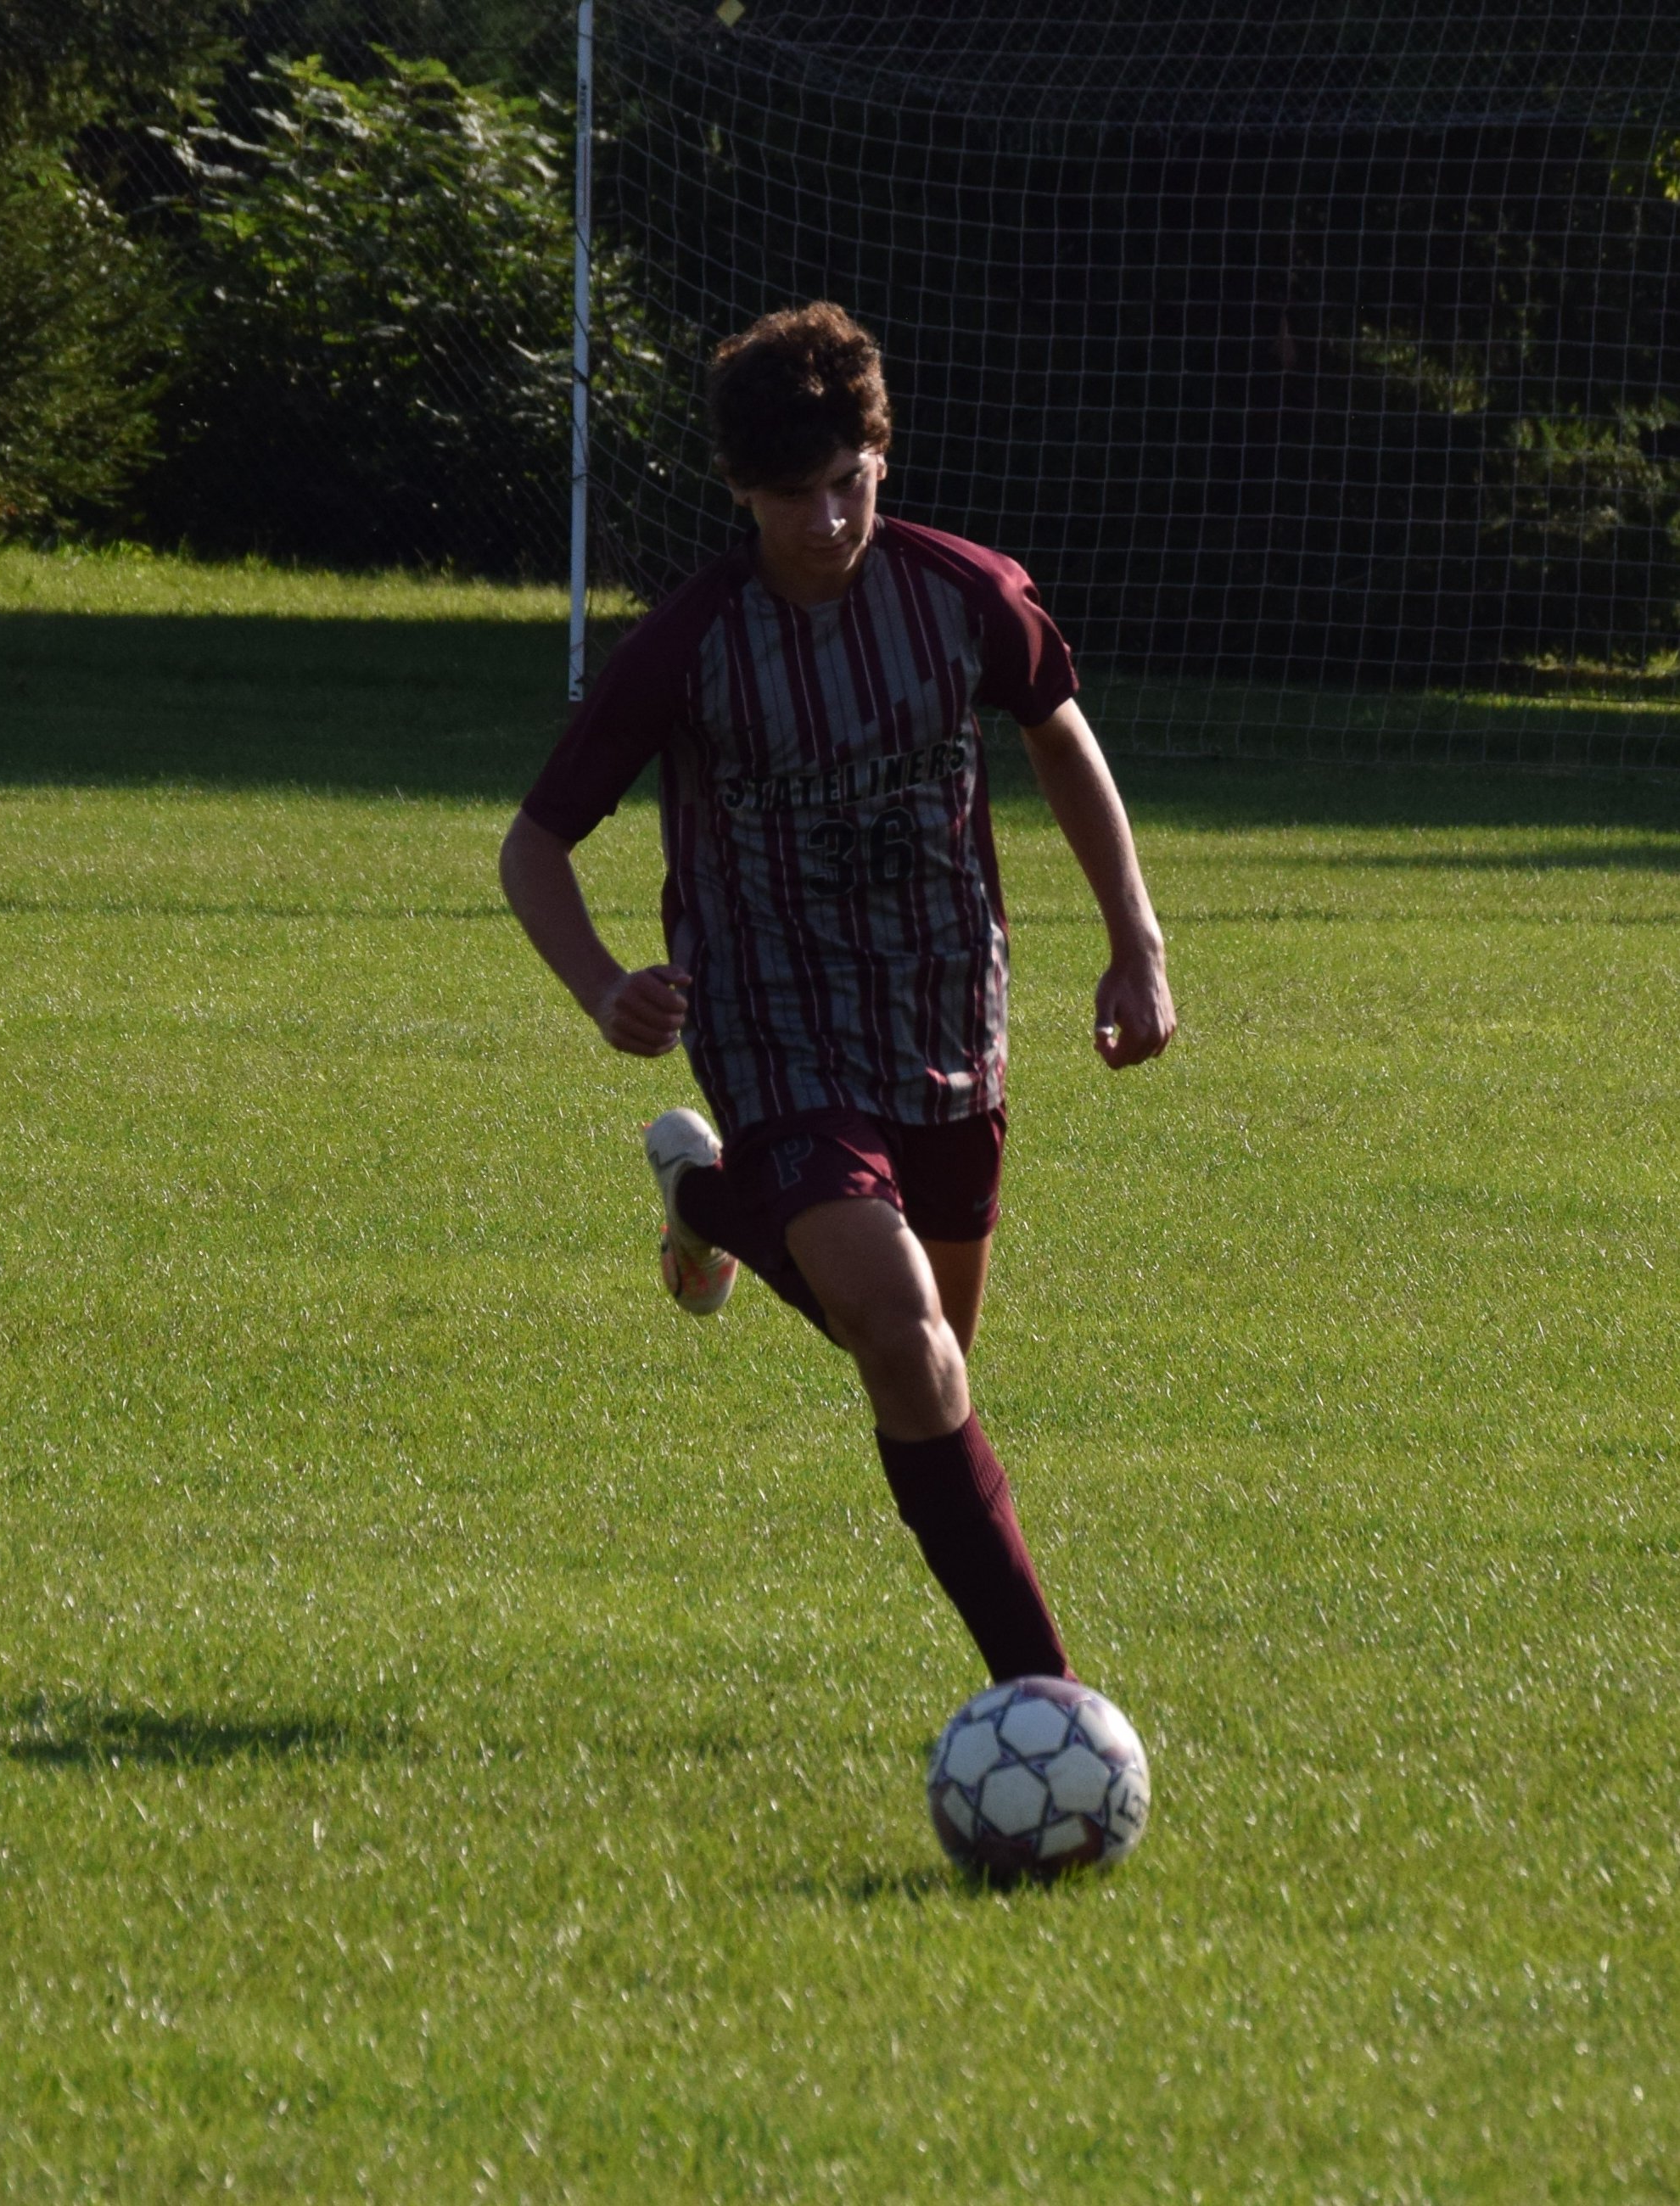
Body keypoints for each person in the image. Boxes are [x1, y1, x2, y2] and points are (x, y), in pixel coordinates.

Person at [501, 301, 1174, 1683]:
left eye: (847, 484)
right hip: (774, 1024)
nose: (825, 521)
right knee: (903, 1342)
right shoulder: (687, 644)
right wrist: (602, 988)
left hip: (944, 1012)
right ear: (738, 491)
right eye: (791, 496)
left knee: (935, 1362)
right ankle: (1042, 1698)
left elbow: (1057, 735)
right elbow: (534, 847)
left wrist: (1136, 940)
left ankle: (707, 1203)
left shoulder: (963, 596)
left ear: (882, 455)